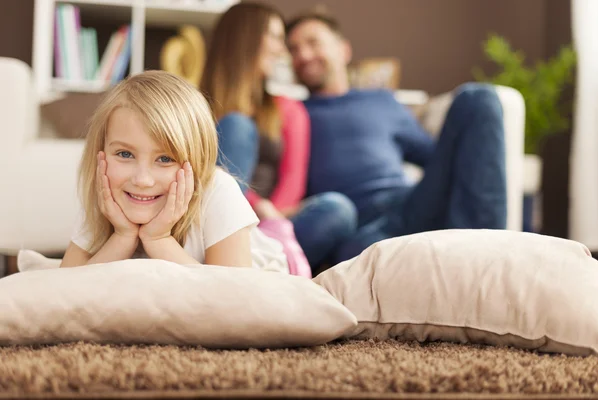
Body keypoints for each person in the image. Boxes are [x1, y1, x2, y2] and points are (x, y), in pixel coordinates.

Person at [285, 12, 508, 263]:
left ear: (343, 50)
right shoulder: (290, 113)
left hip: (411, 204)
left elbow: (439, 160)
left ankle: (488, 255)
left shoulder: (382, 100)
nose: (303, 55)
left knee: (478, 98)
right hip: (357, 225)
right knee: (360, 255)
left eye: (313, 43)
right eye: (293, 50)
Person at [60, 70, 289, 274]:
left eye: (165, 159)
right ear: (101, 154)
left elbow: (231, 297)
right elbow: (61, 291)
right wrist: (122, 238)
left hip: (276, 256)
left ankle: (281, 226)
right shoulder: (105, 191)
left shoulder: (219, 190)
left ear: (197, 164)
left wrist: (158, 240)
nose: (142, 180)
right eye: (125, 154)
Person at [200, 3, 357, 273]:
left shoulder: (289, 110)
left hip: (269, 229)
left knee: (338, 209)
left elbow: (292, 185)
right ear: (245, 38)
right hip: (211, 223)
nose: (281, 49)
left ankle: (250, 259)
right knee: (237, 125)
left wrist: (266, 213)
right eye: (273, 36)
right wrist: (255, 204)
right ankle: (233, 254)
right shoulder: (194, 106)